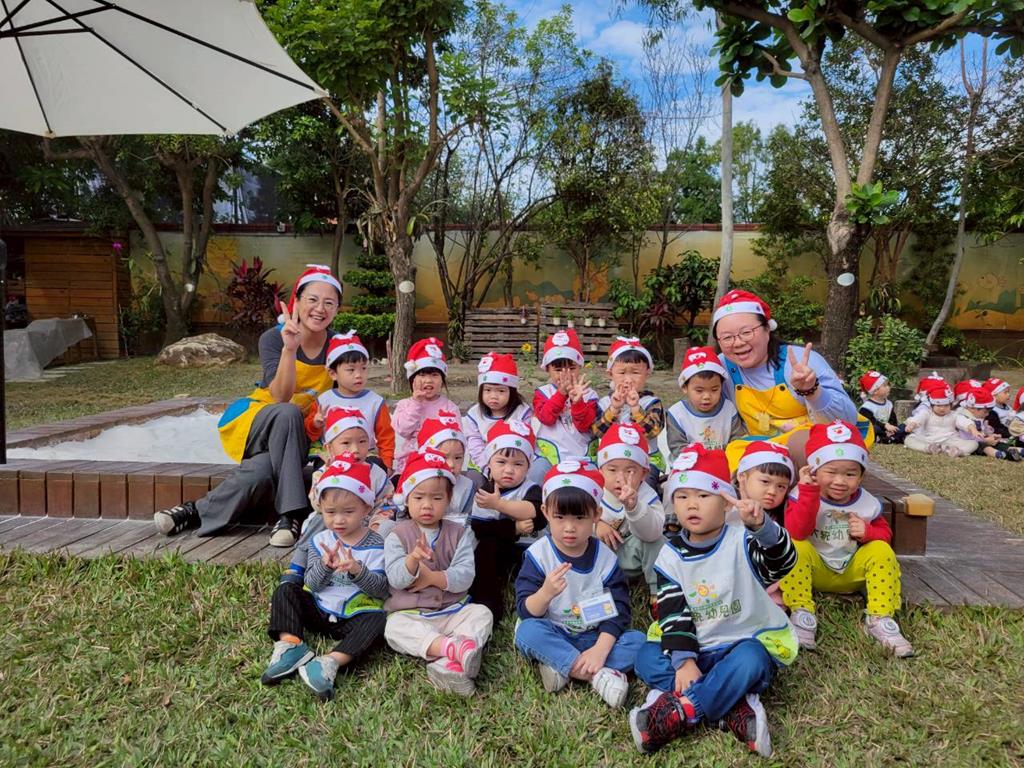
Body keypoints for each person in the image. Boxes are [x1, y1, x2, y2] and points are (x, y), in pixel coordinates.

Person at [154, 265, 341, 547]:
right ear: (297, 301)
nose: (320, 309)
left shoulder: (339, 346)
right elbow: (281, 396)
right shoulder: (273, 338)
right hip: (261, 420)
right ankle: (291, 513)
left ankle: (193, 512)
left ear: (337, 309)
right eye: (312, 299)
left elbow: (341, 401)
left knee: (262, 470)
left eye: (329, 302)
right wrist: (290, 349)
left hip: (301, 432)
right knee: (287, 411)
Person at [629, 444, 797, 757]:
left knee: (752, 660)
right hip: (695, 646)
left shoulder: (743, 539)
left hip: (740, 641)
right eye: (682, 496)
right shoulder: (670, 556)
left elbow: (782, 563)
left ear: (725, 501)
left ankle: (683, 710)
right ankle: (731, 706)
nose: (692, 504)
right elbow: (673, 613)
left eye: (704, 495)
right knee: (646, 657)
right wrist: (685, 661)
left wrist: (762, 529)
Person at [514, 461, 647, 709]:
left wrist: (600, 649)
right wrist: (545, 593)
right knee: (527, 631)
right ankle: (598, 676)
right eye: (560, 517)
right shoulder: (539, 555)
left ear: (596, 515)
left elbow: (619, 611)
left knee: (638, 642)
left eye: (579, 517)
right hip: (555, 631)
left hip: (595, 636)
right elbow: (525, 609)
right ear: (545, 512)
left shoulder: (605, 558)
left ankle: (562, 666)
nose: (569, 527)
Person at [781, 421, 912, 657]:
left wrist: (869, 532)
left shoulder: (866, 503)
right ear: (814, 470)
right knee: (795, 547)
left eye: (850, 474)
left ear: (861, 476)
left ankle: (880, 617)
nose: (840, 481)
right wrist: (809, 494)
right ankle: (802, 612)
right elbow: (797, 531)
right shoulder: (801, 495)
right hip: (815, 571)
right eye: (831, 472)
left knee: (881, 550)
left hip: (852, 572)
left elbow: (885, 536)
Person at [261, 457, 389, 700]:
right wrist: (324, 566)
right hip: (318, 609)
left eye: (348, 512)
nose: (338, 520)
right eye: (330, 512)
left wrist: (357, 571)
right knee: (286, 590)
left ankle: (330, 662)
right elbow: (312, 583)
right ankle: (292, 645)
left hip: (354, 615)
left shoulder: (377, 545)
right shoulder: (319, 541)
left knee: (380, 620)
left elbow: (381, 590)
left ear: (366, 508)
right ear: (321, 508)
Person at [711, 289, 871, 469]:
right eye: (727, 337)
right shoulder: (722, 367)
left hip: (817, 444)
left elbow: (847, 420)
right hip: (760, 447)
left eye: (746, 332)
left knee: (801, 446)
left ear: (767, 329)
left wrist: (812, 390)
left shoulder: (800, 361)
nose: (738, 343)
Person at [383, 449, 493, 696]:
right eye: (419, 497)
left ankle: (447, 663)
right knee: (393, 628)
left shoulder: (460, 533)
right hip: (413, 614)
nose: (427, 505)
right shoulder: (397, 535)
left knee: (482, 614)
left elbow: (465, 575)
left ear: (448, 499)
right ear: (406, 499)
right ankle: (452, 648)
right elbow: (396, 579)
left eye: (436, 498)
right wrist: (412, 560)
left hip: (453, 610)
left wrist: (433, 578)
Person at [282, 407, 394, 585]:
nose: (355, 449)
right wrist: (329, 474)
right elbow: (318, 504)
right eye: (346, 443)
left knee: (389, 527)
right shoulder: (323, 473)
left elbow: (386, 502)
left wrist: (377, 522)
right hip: (333, 521)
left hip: (367, 523)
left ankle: (380, 570)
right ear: (330, 448)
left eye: (362, 441)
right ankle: (298, 564)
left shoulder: (376, 473)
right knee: (318, 519)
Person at [469, 419, 544, 622]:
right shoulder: (486, 490)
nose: (509, 470)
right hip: (499, 549)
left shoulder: (531, 488)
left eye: (518, 464)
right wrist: (514, 527)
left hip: (529, 549)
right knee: (484, 551)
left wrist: (499, 505)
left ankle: (533, 604)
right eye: (501, 462)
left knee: (542, 564)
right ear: (489, 464)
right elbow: (481, 528)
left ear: (528, 467)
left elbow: (535, 512)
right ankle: (487, 604)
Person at [594, 423, 666, 604]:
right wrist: (596, 524)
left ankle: (658, 593)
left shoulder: (646, 495)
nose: (621, 478)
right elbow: (577, 519)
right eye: (612, 470)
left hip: (633, 557)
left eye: (630, 471)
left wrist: (634, 507)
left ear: (644, 473)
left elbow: (653, 533)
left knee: (658, 542)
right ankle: (597, 591)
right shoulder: (594, 492)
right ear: (600, 470)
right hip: (601, 559)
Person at [306, 330, 395, 472]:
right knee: (322, 469)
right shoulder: (323, 401)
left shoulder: (375, 402)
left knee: (375, 468)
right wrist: (315, 424)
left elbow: (386, 436)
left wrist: (387, 463)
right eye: (351, 370)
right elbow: (311, 434)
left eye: (363, 368)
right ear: (333, 374)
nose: (359, 375)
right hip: (332, 455)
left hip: (365, 454)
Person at [593, 338, 665, 483]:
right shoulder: (605, 403)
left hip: (646, 460)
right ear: (610, 374)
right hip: (612, 461)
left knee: (646, 484)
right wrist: (614, 409)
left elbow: (653, 431)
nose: (628, 379)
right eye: (622, 373)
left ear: (647, 373)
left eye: (635, 372)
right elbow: (598, 432)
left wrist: (635, 408)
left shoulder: (652, 403)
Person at [530, 329, 599, 483]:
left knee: (593, 481)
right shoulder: (542, 393)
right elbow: (546, 418)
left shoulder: (589, 395)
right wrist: (561, 394)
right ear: (547, 369)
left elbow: (584, 426)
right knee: (535, 475)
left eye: (572, 368)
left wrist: (577, 402)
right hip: (548, 455)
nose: (565, 374)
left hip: (582, 455)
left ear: (580, 366)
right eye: (558, 369)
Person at [391, 338, 461, 477]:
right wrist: (416, 404)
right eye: (422, 375)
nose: (428, 380)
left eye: (434, 375)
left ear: (442, 380)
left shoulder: (450, 407)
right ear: (412, 379)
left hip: (441, 464)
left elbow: (456, 439)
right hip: (409, 465)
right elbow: (403, 430)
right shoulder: (404, 405)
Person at [666, 346, 745, 461]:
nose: (707, 396)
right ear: (684, 387)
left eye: (714, 390)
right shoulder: (677, 414)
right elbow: (677, 447)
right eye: (699, 391)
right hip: (689, 466)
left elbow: (737, 440)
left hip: (723, 463)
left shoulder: (728, 409)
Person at [462, 352, 532, 475]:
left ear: (512, 392)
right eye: (488, 390)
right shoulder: (475, 415)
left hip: (511, 467)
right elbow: (474, 444)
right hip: (481, 465)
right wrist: (488, 469)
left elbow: (526, 442)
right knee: (474, 481)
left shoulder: (521, 413)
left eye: (501, 391)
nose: (493, 396)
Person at [414, 412, 477, 527]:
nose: (451, 464)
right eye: (444, 457)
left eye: (458, 458)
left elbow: (471, 520)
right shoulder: (416, 481)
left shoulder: (467, 487)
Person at [903, 383, 978, 457]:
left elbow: (964, 421)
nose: (942, 408)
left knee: (974, 444)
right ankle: (928, 448)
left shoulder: (954, 414)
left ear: (951, 405)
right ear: (932, 405)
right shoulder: (927, 413)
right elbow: (919, 418)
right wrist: (912, 424)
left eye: (946, 405)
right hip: (928, 439)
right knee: (909, 439)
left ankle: (956, 451)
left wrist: (973, 429)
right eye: (938, 405)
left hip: (950, 440)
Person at [955, 386, 1022, 461]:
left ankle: (1019, 451)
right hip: (970, 443)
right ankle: (1000, 454)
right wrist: (974, 430)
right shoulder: (963, 416)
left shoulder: (978, 416)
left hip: (983, 439)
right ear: (972, 408)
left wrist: (990, 434)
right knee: (983, 446)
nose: (987, 414)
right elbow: (965, 423)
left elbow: (982, 430)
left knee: (998, 444)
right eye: (985, 412)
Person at [857, 371, 905, 445]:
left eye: (887, 385)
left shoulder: (889, 404)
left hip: (887, 429)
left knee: (904, 426)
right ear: (875, 391)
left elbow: (892, 418)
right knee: (875, 428)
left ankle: (890, 437)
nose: (888, 387)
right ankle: (886, 438)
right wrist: (885, 426)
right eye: (885, 385)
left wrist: (892, 428)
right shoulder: (867, 407)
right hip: (877, 429)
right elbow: (871, 422)